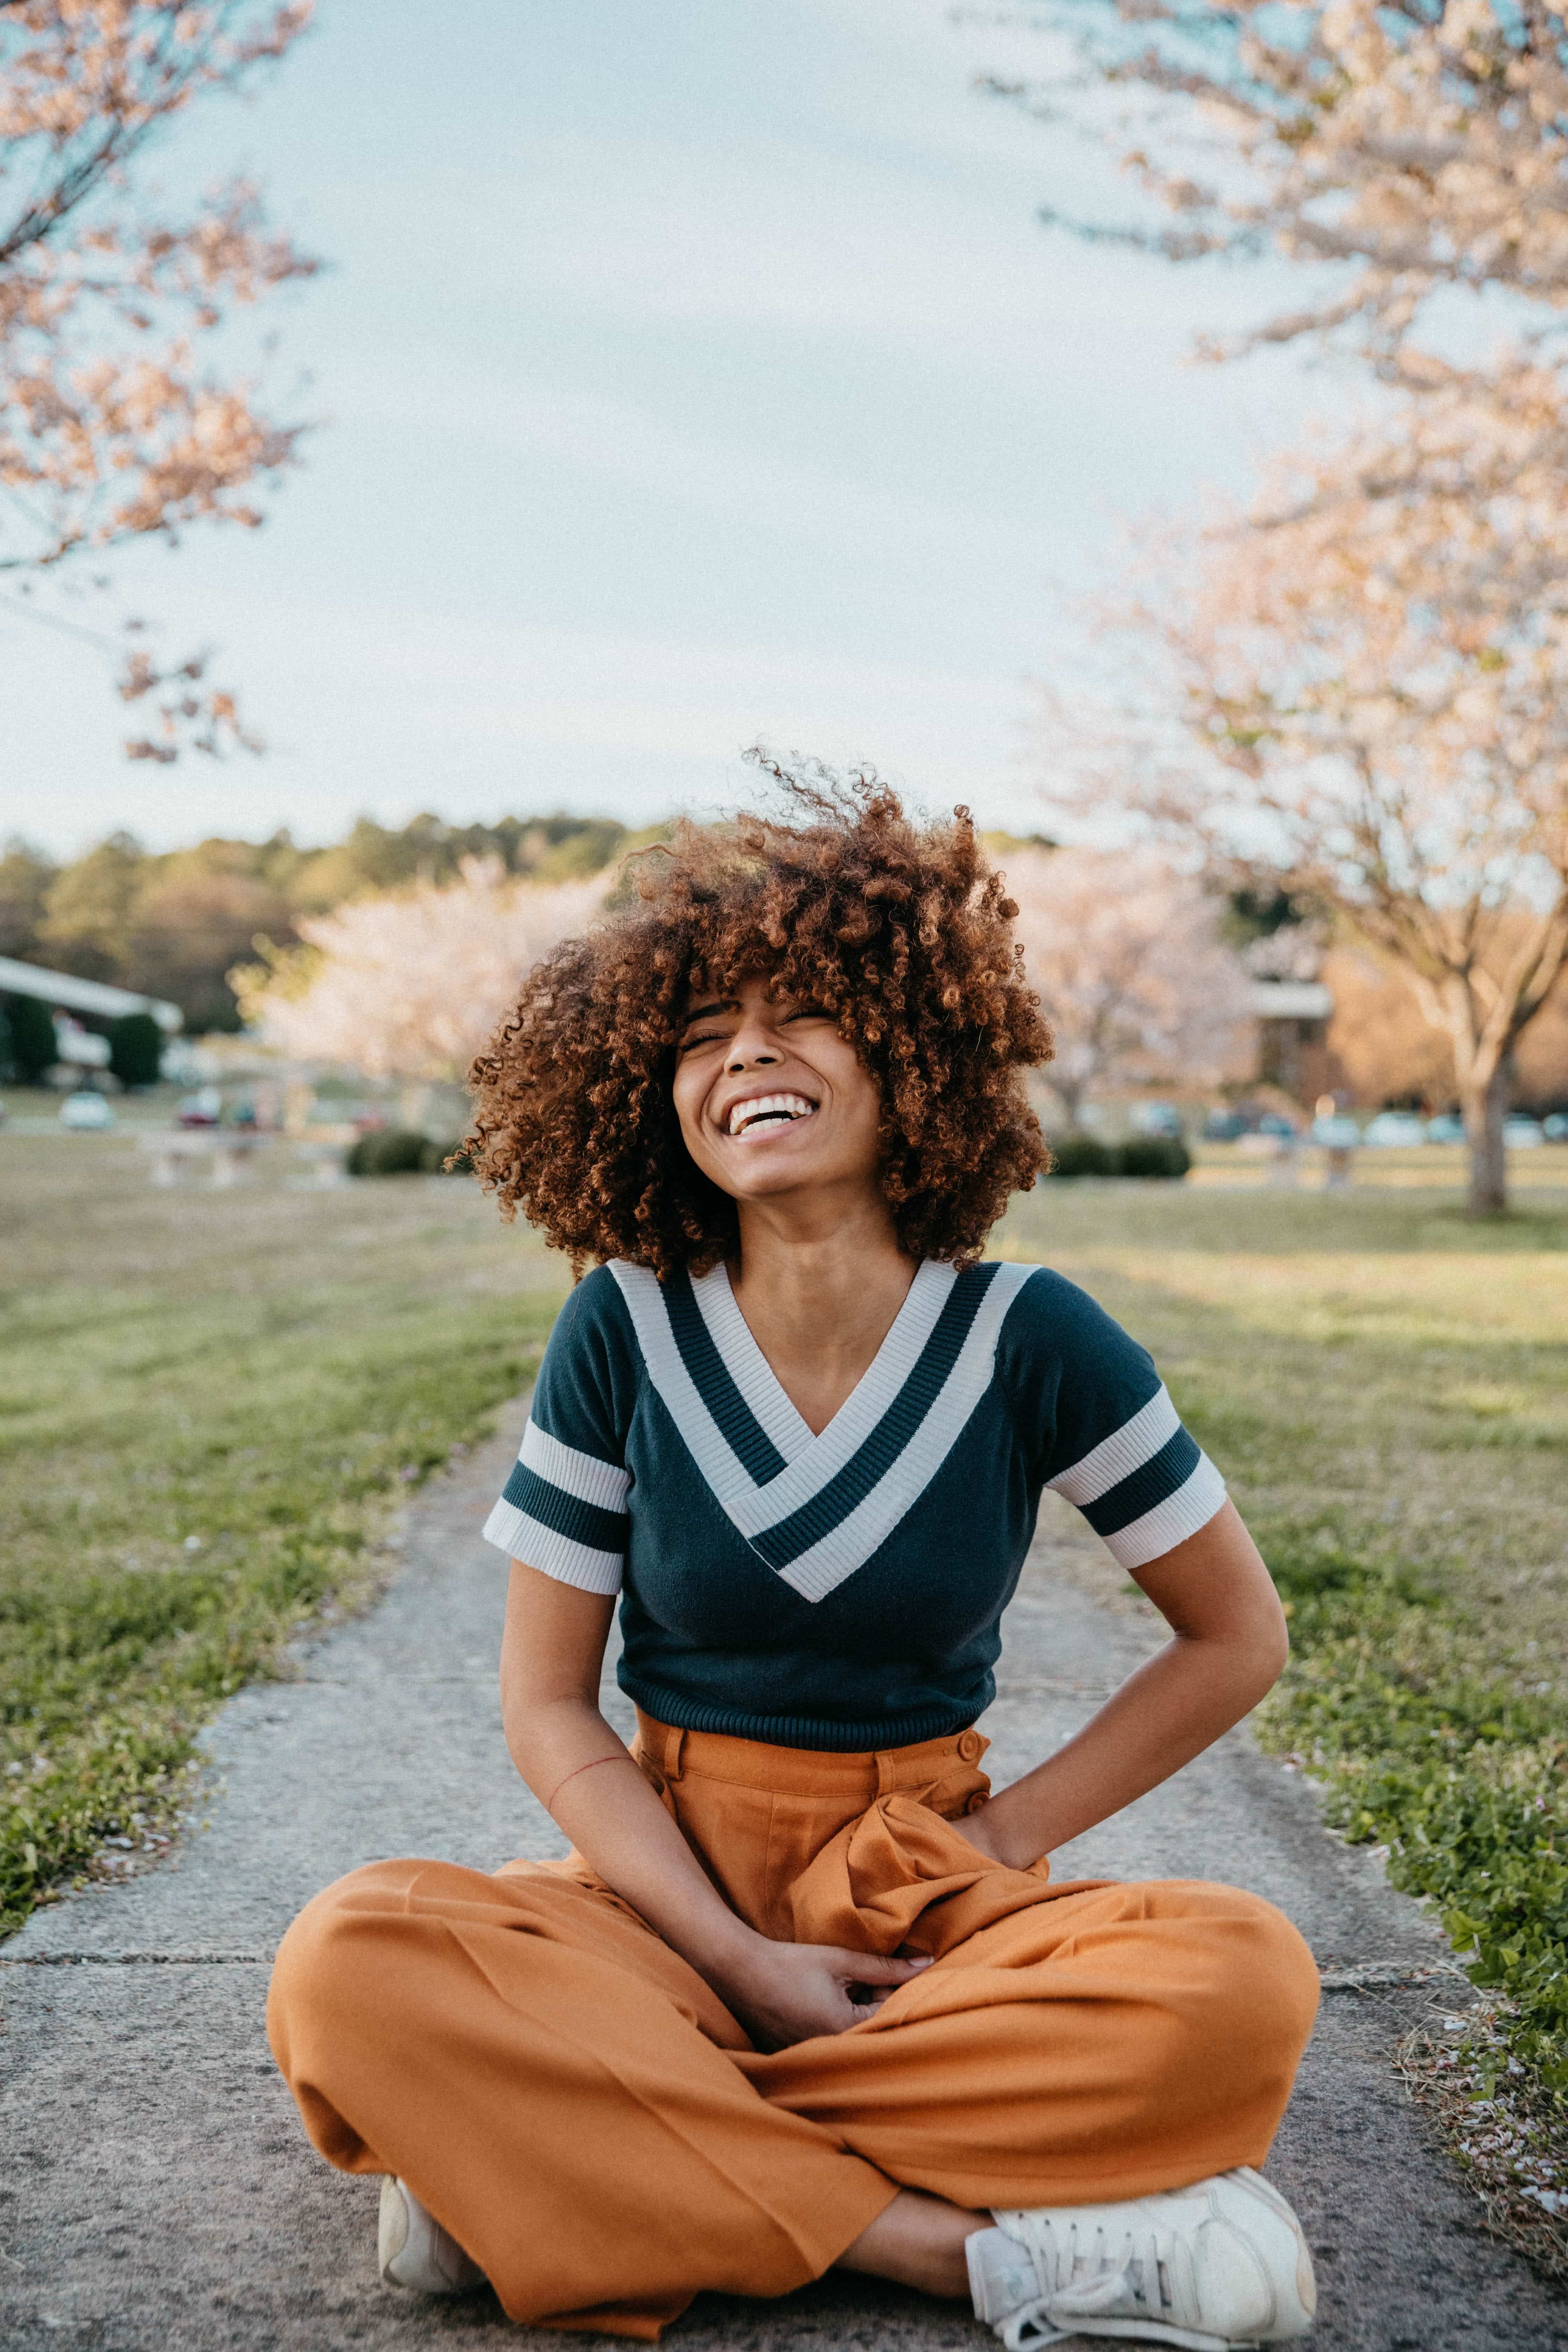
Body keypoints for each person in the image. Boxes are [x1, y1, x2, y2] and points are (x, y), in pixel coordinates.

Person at [267, 769, 1321, 2347]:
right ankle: (952, 2251)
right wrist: (740, 1962)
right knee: (351, 1959)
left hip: (922, 1891)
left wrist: (1003, 1844)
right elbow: (550, 1712)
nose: (743, 1053)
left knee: (1236, 1982)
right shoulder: (619, 1324)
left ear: (911, 1050)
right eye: (697, 1038)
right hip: (662, 1894)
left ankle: (562, 2161)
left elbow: (1234, 1638)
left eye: (799, 1015)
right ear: (650, 1095)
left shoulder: (1032, 1337)